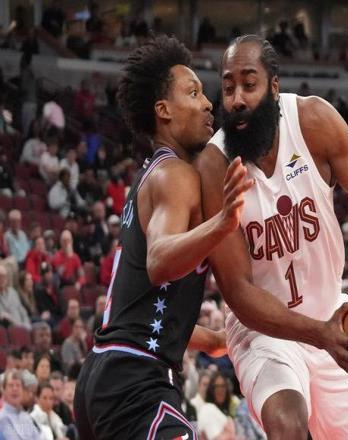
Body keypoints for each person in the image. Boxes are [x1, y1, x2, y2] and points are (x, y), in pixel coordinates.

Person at [197, 34, 348, 439]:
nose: (236, 99)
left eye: (249, 84)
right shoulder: (215, 166)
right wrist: (320, 336)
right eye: (228, 88)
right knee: (287, 423)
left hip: (332, 317)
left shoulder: (313, 122)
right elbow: (238, 292)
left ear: (274, 86)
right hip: (264, 333)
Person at [74, 35, 253, 440]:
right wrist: (223, 222)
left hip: (106, 373)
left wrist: (212, 340)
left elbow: (142, 306)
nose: (208, 104)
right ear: (163, 111)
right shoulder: (176, 175)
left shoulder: (151, 176)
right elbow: (159, 262)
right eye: (193, 93)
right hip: (136, 380)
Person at [0, 369, 42, 439]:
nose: (15, 389)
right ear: (4, 391)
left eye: (18, 385)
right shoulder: (2, 419)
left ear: (23, 391)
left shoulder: (27, 417)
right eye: (11, 385)